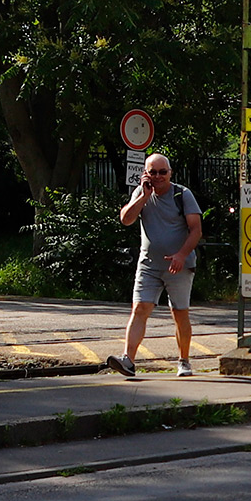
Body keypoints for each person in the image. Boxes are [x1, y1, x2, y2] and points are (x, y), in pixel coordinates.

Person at [108, 153, 203, 379]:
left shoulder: (183, 194)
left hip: (179, 265)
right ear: (145, 174)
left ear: (170, 173)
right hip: (149, 265)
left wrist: (181, 255)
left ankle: (184, 361)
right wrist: (143, 197)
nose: (158, 176)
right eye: (153, 172)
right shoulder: (141, 193)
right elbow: (126, 219)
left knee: (179, 313)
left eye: (162, 172)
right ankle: (128, 360)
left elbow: (196, 229)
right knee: (140, 309)